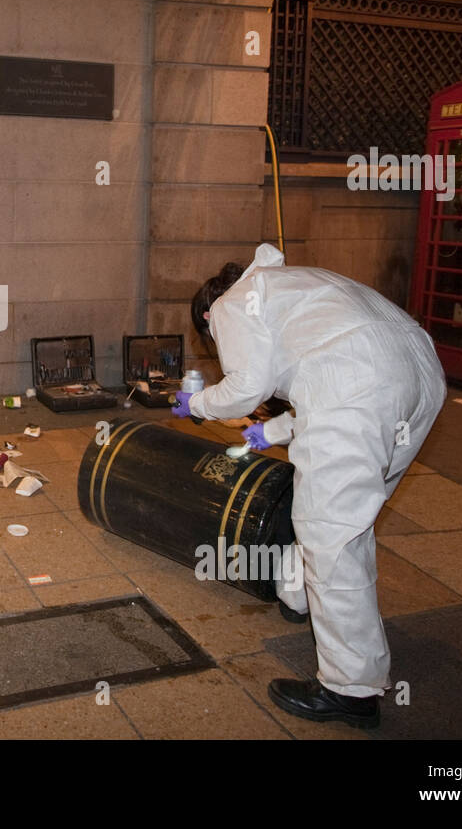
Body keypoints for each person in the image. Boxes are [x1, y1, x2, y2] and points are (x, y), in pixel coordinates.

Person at [173, 243, 446, 729]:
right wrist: (270, 433)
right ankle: (297, 594)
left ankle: (350, 689)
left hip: (359, 389)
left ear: (207, 315)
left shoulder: (230, 306)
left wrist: (195, 405)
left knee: (332, 532)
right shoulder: (291, 284)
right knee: (343, 516)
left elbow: (247, 386)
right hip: (417, 375)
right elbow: (328, 376)